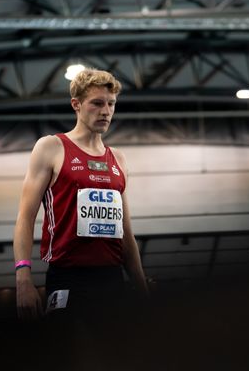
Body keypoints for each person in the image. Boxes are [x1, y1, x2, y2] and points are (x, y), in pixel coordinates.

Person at [13, 68, 148, 322]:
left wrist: (143, 291)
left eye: (111, 104)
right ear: (76, 104)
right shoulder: (51, 148)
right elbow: (25, 218)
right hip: (68, 278)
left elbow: (126, 232)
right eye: (97, 103)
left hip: (112, 278)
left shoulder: (118, 158)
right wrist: (23, 279)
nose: (106, 111)